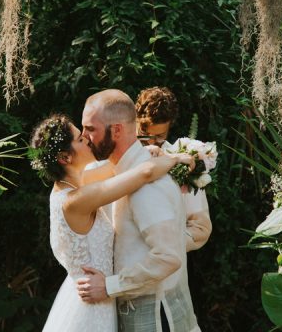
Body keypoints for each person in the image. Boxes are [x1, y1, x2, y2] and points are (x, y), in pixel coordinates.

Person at [30, 114, 194, 332]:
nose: (87, 139)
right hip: (92, 305)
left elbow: (118, 167)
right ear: (64, 157)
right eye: (80, 139)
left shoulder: (71, 188)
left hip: (97, 296)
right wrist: (174, 159)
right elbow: (143, 173)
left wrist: (145, 152)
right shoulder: (75, 201)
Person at [78, 89, 201, 332]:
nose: (84, 137)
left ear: (116, 130)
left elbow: (168, 257)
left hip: (157, 318)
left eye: (90, 129)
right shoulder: (131, 172)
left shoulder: (147, 187)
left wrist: (109, 286)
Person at [135, 86, 212, 252]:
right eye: (144, 133)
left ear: (170, 127)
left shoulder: (184, 163)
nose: (151, 142)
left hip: (167, 262)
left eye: (159, 137)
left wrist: (166, 245)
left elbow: (200, 228)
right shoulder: (118, 154)